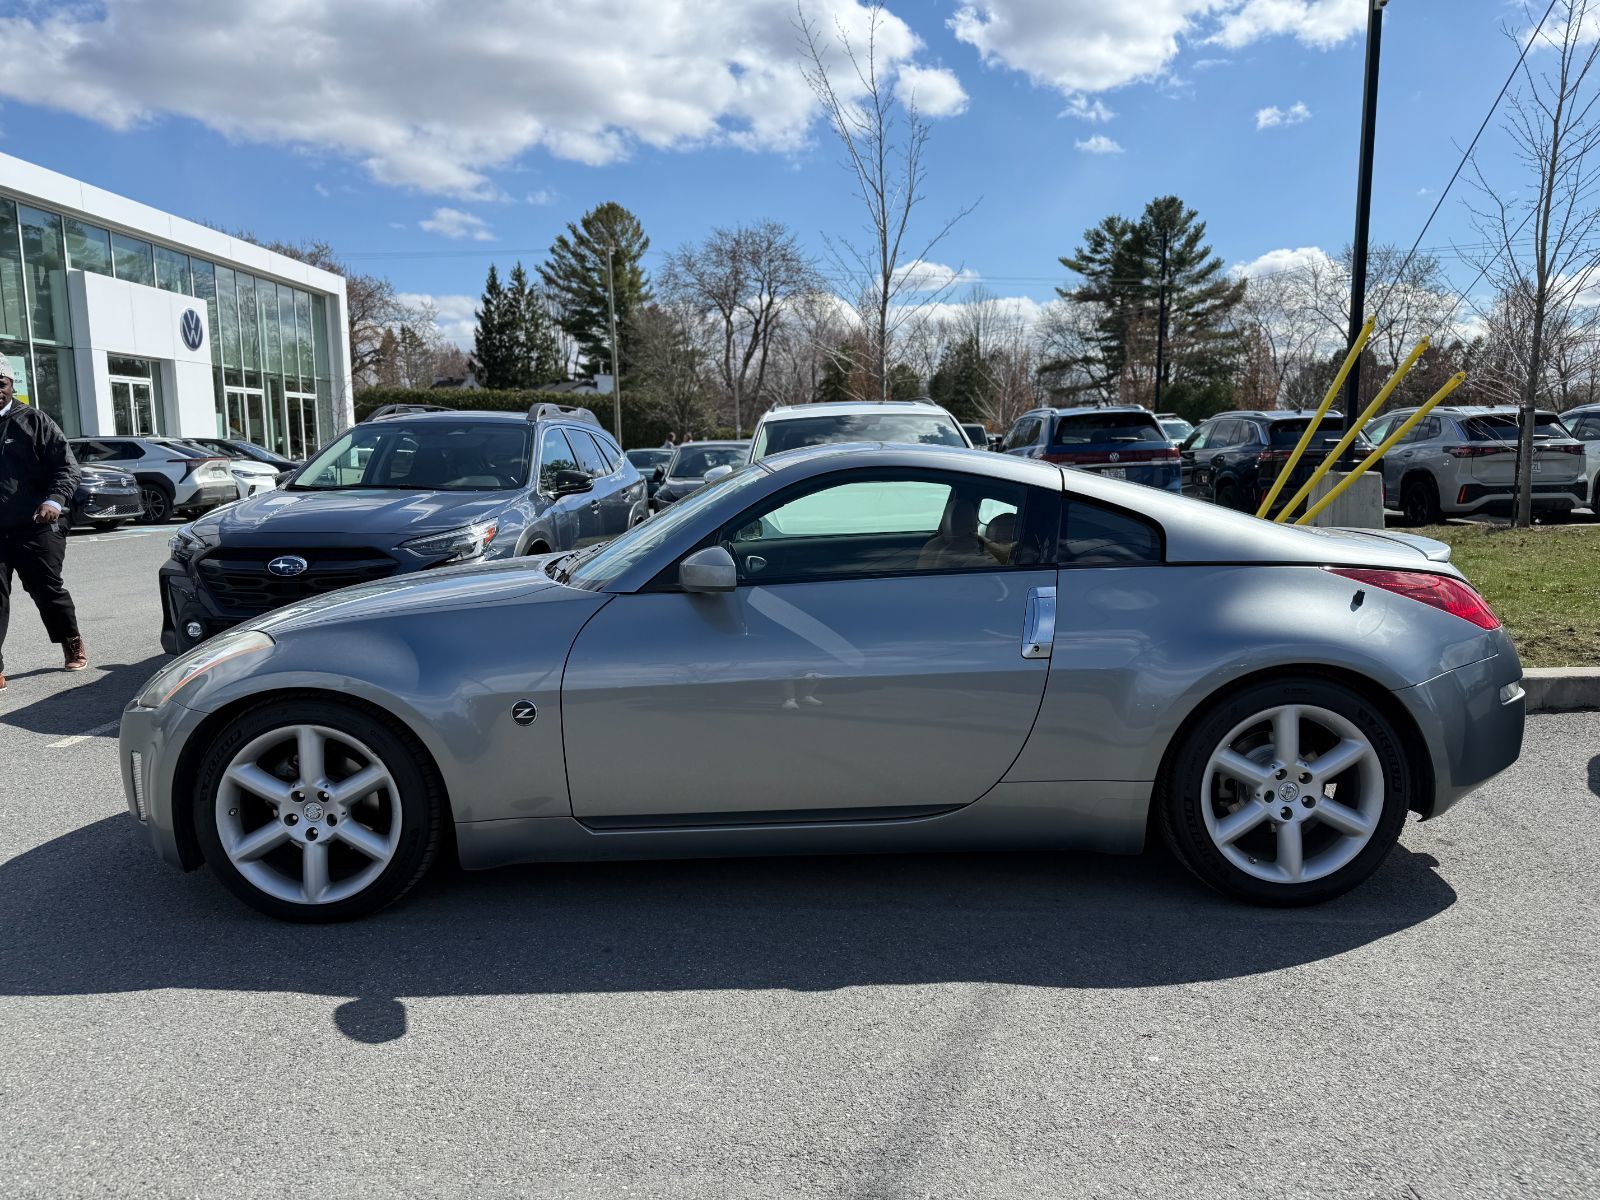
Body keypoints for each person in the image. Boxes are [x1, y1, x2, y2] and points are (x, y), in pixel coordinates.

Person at [0, 356, 86, 690]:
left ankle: (71, 639)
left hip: (35, 524)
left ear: (11, 385)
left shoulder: (34, 421)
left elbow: (67, 467)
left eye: (0, 384)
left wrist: (54, 500)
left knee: (45, 589)